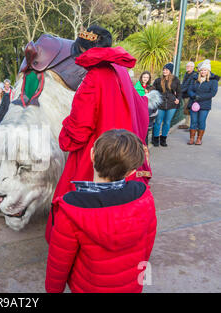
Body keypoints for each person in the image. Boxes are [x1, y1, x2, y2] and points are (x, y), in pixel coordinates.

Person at [46, 25, 152, 244]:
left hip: (98, 153)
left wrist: (63, 133)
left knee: (85, 206)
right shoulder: (119, 70)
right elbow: (140, 107)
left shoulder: (93, 78)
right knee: (118, 204)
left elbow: (78, 129)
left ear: (84, 50)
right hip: (122, 150)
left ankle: (85, 247)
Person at [45, 129, 157, 293]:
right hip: (130, 285)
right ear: (133, 170)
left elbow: (59, 263)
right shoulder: (144, 198)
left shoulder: (71, 210)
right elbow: (147, 246)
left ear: (92, 155)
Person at [187, 59, 219, 145]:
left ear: (208, 70)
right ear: (199, 71)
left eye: (205, 70)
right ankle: (191, 138)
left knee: (201, 121)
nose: (203, 72)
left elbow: (213, 93)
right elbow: (189, 90)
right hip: (194, 103)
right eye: (202, 70)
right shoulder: (194, 78)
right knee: (193, 121)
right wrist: (194, 96)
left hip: (205, 105)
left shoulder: (213, 81)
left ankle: (199, 139)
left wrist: (200, 97)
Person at [151, 63, 181, 147]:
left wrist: (178, 99)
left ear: (170, 71)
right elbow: (153, 90)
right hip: (160, 104)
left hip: (172, 105)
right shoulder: (158, 80)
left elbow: (179, 92)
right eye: (163, 69)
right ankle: (156, 139)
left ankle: (163, 139)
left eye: (166, 70)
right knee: (158, 122)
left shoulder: (176, 80)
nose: (164, 71)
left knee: (167, 122)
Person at [179, 62, 198, 130]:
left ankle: (190, 125)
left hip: (189, 95)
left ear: (193, 67)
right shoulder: (186, 74)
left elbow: (188, 86)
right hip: (184, 94)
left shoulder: (194, 75)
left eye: (189, 66)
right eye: (187, 66)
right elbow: (184, 84)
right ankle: (187, 124)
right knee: (186, 109)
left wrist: (179, 91)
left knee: (189, 110)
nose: (187, 67)